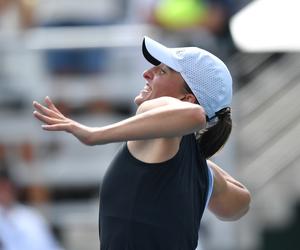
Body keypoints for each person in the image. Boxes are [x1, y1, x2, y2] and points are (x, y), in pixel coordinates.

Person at [32, 36, 251, 250]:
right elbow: (240, 205)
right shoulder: (203, 172)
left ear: (186, 99)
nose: (147, 73)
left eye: (162, 71)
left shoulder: (154, 110)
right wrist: (206, 170)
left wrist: (93, 135)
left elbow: (195, 116)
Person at [0, 167, 62, 250]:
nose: (5, 192)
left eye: (7, 187)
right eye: (2, 187)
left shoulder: (31, 216)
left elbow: (50, 245)